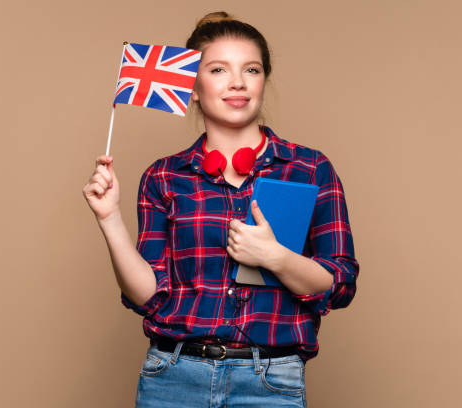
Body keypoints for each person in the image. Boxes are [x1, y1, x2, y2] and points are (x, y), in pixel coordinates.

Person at [82, 11, 359, 408]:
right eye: (217, 69)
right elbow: (148, 296)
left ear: (264, 79)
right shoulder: (164, 176)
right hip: (173, 378)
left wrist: (275, 258)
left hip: (271, 383)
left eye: (252, 69)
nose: (238, 83)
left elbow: (341, 282)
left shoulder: (310, 169)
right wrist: (109, 219)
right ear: (192, 86)